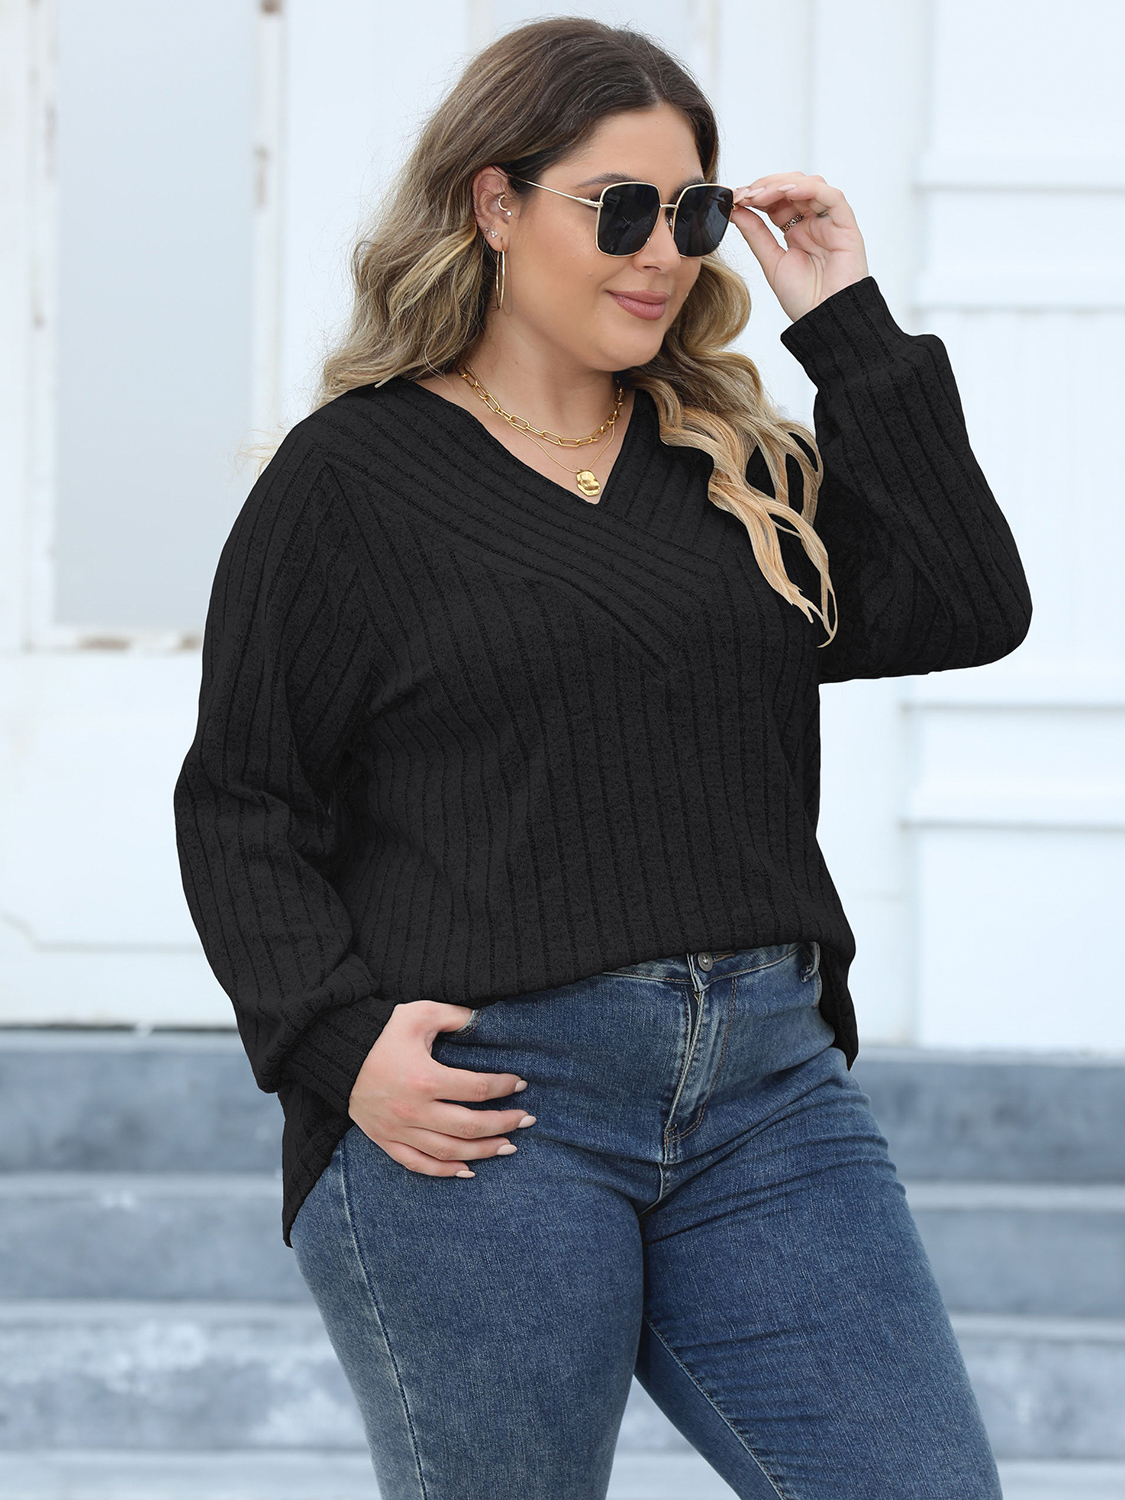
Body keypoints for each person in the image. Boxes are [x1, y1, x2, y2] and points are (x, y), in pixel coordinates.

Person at [173, 16, 1031, 1500]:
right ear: (495, 205)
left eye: (690, 214)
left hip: (768, 1095)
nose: (661, 254)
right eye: (618, 208)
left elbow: (966, 605)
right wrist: (334, 1045)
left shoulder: (730, 464)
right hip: (492, 1110)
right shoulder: (350, 482)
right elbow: (243, 803)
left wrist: (842, 318)